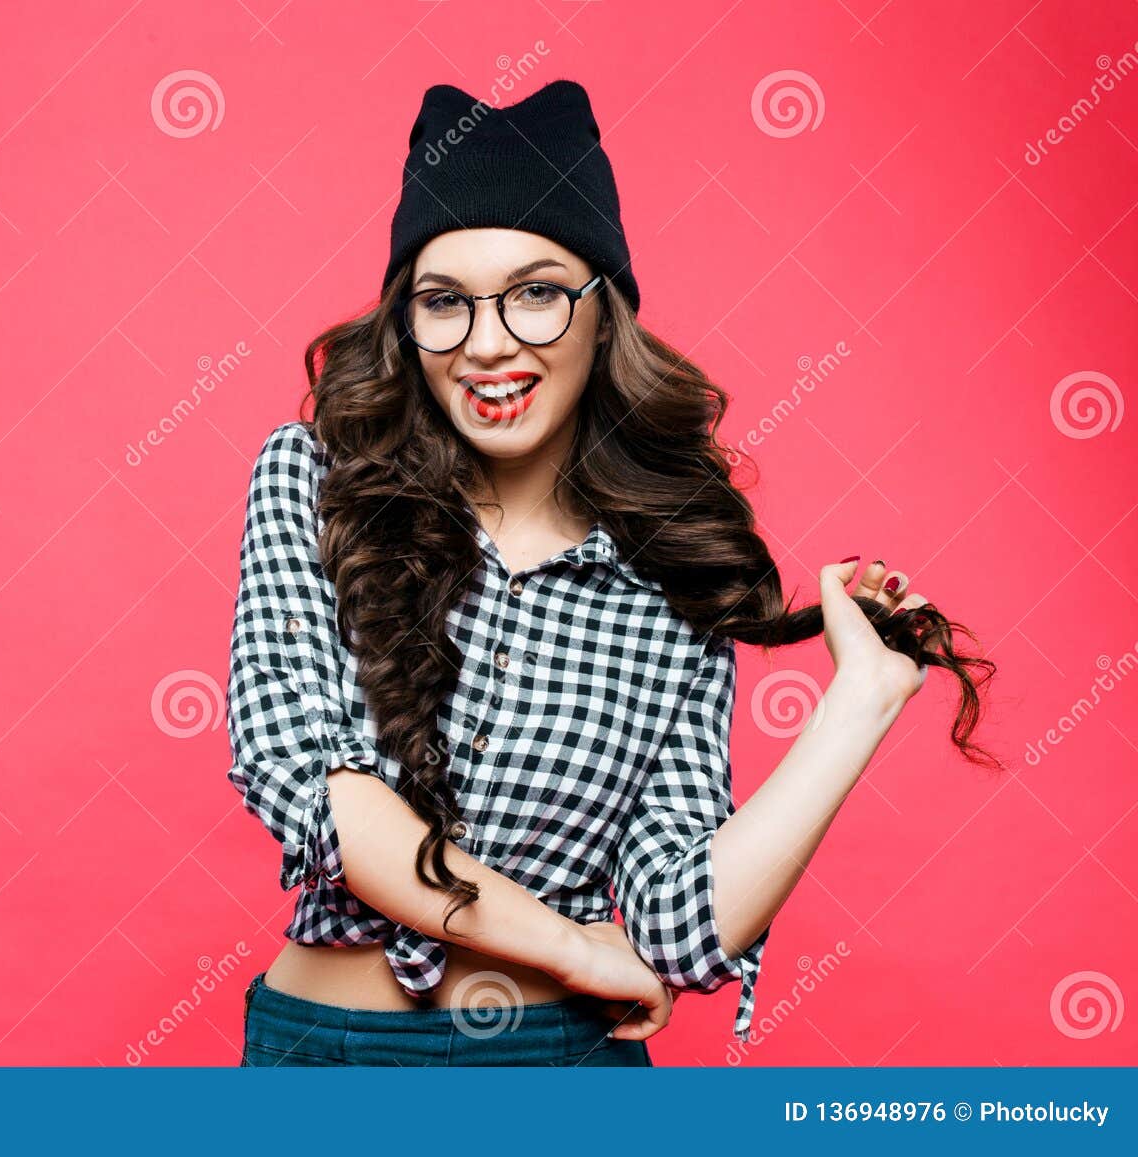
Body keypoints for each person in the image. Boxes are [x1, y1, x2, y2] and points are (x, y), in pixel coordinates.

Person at [225, 78, 998, 1067]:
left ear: (604, 311)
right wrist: (569, 947)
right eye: (444, 301)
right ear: (405, 325)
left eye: (537, 292)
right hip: (324, 1062)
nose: (489, 341)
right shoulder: (315, 481)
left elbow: (678, 924)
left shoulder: (669, 570)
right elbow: (309, 782)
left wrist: (863, 696)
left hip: (562, 1067)